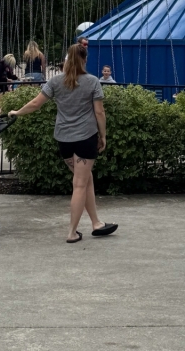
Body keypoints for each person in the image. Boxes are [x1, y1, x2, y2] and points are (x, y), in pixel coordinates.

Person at [8, 43, 117, 243]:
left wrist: (17, 112)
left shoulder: (56, 81)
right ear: (84, 59)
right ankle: (72, 232)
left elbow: (35, 103)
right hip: (85, 138)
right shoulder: (93, 81)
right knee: (79, 184)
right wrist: (103, 136)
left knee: (85, 180)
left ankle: (96, 223)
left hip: (64, 140)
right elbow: (99, 112)